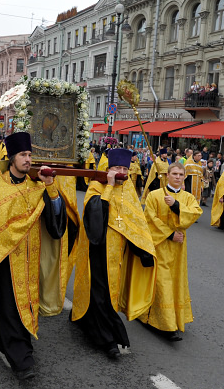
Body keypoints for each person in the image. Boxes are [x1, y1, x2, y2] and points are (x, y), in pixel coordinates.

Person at [0, 132, 67, 381]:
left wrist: (52, 191)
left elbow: (55, 223)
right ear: (12, 157)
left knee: (25, 307)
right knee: (10, 307)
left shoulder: (36, 188)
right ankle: (21, 359)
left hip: (31, 259)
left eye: (30, 155)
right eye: (23, 155)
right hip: (5, 260)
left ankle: (8, 338)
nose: (28, 159)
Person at [71, 148, 156, 359]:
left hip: (119, 252)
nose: (121, 172)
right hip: (97, 248)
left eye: (125, 168)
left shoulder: (129, 190)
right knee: (101, 294)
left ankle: (91, 325)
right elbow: (95, 215)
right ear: (108, 169)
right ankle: (107, 340)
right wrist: (108, 187)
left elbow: (136, 222)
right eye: (117, 168)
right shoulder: (96, 187)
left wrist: (142, 250)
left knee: (110, 294)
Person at [139, 162, 202, 341]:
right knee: (162, 281)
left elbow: (194, 214)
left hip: (178, 248)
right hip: (160, 245)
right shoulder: (155, 196)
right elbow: (149, 219)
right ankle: (166, 325)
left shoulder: (188, 197)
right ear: (167, 175)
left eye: (181, 175)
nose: (178, 177)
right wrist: (169, 234)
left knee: (176, 282)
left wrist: (175, 205)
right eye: (174, 174)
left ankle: (171, 318)